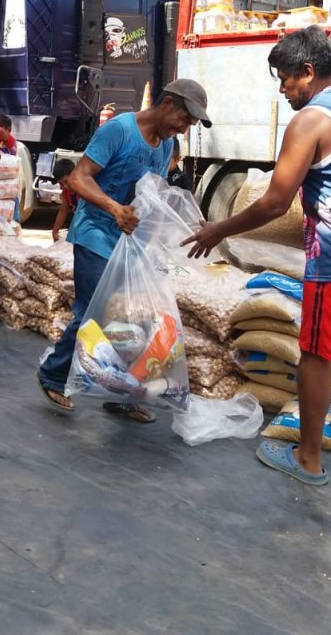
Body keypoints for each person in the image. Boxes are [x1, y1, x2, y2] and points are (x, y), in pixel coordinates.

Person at [182, 26, 331, 487]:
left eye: (285, 79)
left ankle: (308, 459)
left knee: (315, 354)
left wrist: (218, 230)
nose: (283, 89)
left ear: (307, 73)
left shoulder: (310, 119)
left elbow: (275, 201)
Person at [36, 79, 212, 422]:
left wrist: (172, 230)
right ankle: (53, 375)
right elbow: (80, 178)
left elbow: (151, 196)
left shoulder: (164, 145)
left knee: (132, 318)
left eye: (190, 124)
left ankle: (121, 392)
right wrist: (115, 208)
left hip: (129, 243)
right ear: (167, 103)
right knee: (95, 312)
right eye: (185, 118)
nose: (185, 128)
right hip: (95, 234)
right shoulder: (119, 130)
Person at [50, 158, 78, 242]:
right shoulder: (66, 193)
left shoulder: (83, 190)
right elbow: (63, 211)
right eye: (61, 184)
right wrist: (55, 231)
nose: (64, 186)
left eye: (66, 182)